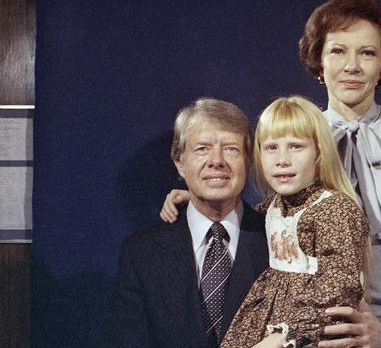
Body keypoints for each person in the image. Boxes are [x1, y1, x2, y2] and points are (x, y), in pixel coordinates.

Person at [162, 0, 381, 348]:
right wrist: (200, 200)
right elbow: (274, 217)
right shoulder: (299, 134)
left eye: (367, 53)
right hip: (325, 305)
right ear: (319, 61)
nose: (352, 66)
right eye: (338, 51)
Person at [110, 98, 270, 347]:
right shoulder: (140, 254)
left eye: (230, 148)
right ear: (180, 162)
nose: (216, 160)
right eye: (202, 149)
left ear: (248, 160)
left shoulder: (277, 240)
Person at [220, 96, 369, 347]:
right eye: (271, 147)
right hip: (267, 326)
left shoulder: (334, 209)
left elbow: (338, 287)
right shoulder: (273, 207)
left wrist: (284, 337)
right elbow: (239, 216)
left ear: (319, 152)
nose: (282, 159)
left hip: (312, 332)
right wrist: (196, 198)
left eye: (296, 146)